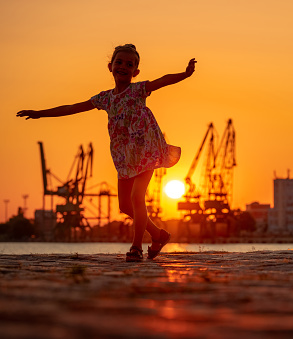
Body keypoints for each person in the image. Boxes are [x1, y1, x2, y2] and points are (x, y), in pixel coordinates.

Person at [17, 44, 196, 262]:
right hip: (123, 156)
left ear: (135, 72)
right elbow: (72, 107)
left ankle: (136, 247)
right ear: (110, 66)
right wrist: (39, 114)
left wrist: (185, 74)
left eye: (130, 64)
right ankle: (159, 235)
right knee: (124, 205)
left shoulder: (138, 90)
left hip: (146, 149)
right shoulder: (105, 98)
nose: (123, 67)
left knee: (137, 198)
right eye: (119, 62)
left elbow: (162, 80)